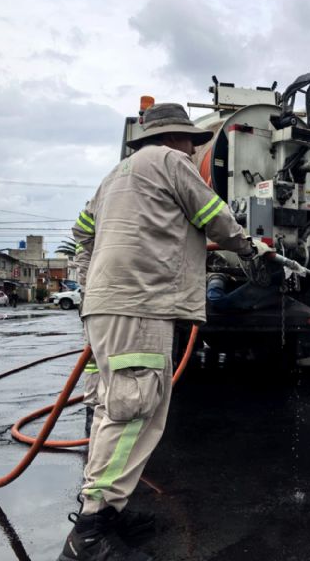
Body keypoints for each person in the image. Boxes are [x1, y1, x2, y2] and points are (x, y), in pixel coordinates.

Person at [60, 102, 272, 561]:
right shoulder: (171, 162)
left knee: (109, 409)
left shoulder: (114, 176)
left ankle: (108, 512)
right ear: (176, 139)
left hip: (106, 307)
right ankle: (91, 537)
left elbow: (82, 233)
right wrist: (254, 250)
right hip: (140, 306)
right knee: (133, 412)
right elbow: (213, 214)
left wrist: (91, 282)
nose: (192, 150)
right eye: (191, 142)